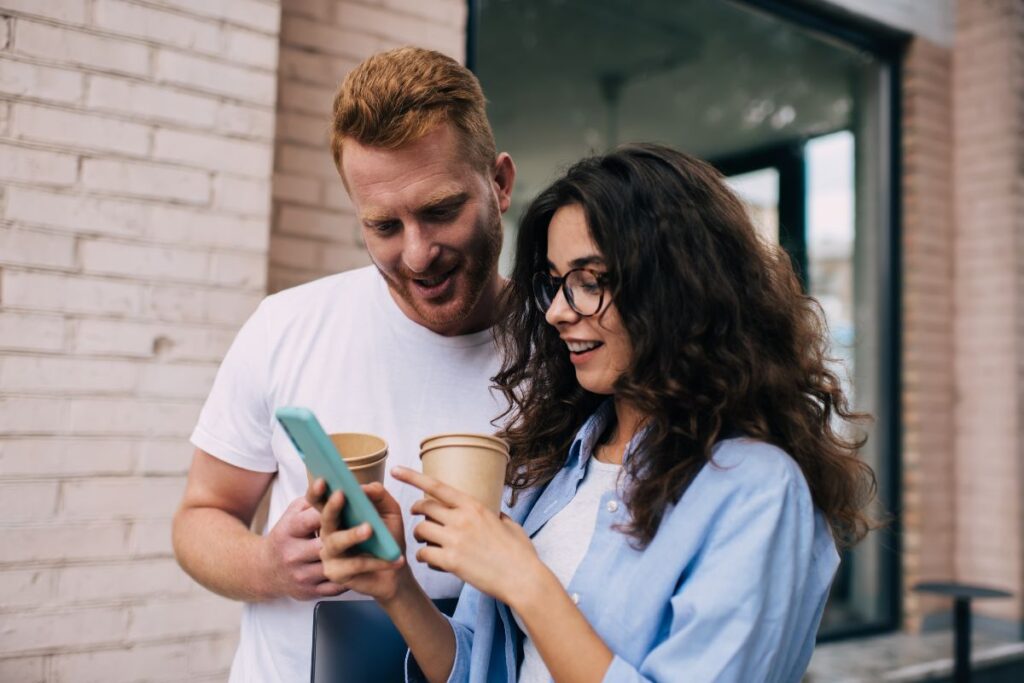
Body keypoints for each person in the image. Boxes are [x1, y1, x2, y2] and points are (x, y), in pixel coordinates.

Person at [312, 143, 877, 682]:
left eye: (589, 280)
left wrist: (526, 581)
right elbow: (485, 673)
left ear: (678, 284)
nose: (558, 311)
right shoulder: (563, 466)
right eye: (555, 283)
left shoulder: (756, 490)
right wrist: (394, 584)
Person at [171, 46, 516, 683]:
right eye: (384, 225)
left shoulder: (569, 353)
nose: (417, 255)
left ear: (498, 183)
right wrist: (268, 566)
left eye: (441, 210)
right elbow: (201, 515)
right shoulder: (285, 327)